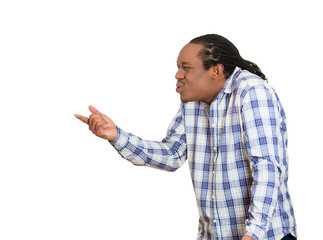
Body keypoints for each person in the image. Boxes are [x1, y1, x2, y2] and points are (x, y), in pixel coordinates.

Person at [75, 34, 297, 240]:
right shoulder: (193, 103)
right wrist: (116, 136)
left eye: (186, 68)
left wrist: (253, 235)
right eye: (178, 67)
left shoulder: (252, 90)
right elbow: (172, 154)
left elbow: (267, 167)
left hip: (266, 236)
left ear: (216, 71)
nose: (178, 75)